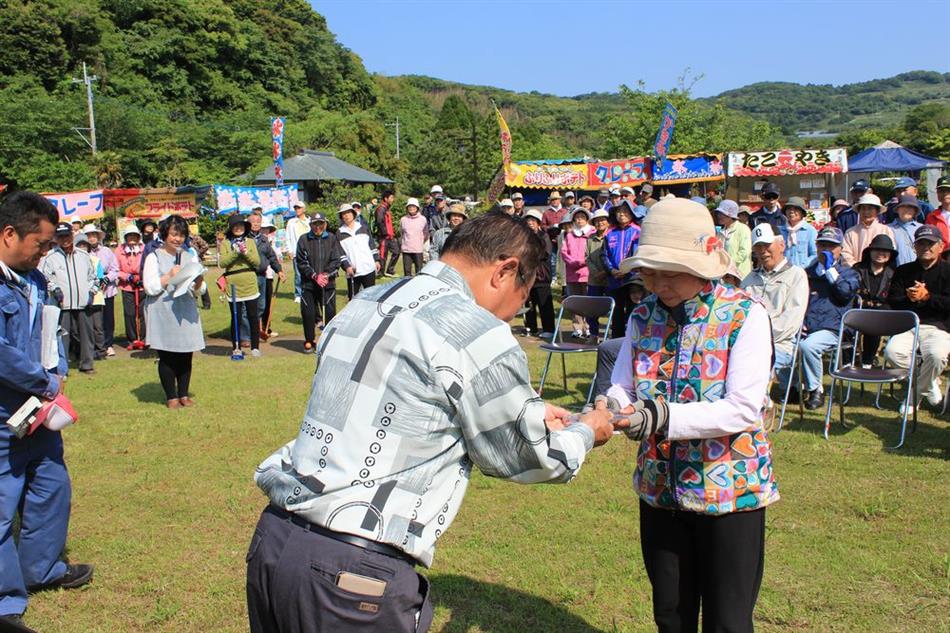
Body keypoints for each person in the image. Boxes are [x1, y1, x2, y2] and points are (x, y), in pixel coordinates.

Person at [247, 211, 615, 633]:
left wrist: (526, 411)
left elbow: (406, 397)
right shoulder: (475, 329)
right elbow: (529, 457)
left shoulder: (367, 301)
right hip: (352, 575)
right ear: (506, 270)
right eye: (524, 295)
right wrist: (588, 430)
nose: (515, 312)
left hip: (276, 542)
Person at [601, 197, 778, 633]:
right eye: (651, 271)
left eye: (670, 271)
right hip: (660, 488)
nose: (659, 283)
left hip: (730, 492)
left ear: (704, 263)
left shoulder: (744, 315)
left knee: (728, 621)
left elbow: (742, 407)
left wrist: (659, 418)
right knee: (671, 615)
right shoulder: (643, 316)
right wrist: (609, 410)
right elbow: (622, 384)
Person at [0, 193, 94, 632]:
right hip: (5, 416)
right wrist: (43, 380)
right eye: (40, 243)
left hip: (40, 413)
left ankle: (41, 570)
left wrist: (57, 370)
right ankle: (5, 602)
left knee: (51, 489)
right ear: (9, 234)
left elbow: (50, 330)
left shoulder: (33, 280)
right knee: (3, 507)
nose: (46, 251)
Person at [883, 226, 950, 411]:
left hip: (939, 327)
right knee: (892, 353)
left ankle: (913, 397)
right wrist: (910, 298)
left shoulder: (948, 271)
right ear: (915, 246)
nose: (926, 247)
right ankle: (928, 383)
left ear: (941, 246)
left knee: (936, 356)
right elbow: (893, 301)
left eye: (930, 243)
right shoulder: (903, 271)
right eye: (921, 243)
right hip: (908, 325)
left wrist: (927, 297)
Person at [142, 215, 205, 409]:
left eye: (181, 235)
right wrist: (168, 276)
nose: (177, 239)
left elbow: (200, 290)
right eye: (174, 235)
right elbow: (149, 287)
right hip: (163, 309)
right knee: (168, 355)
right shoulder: (154, 256)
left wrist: (199, 281)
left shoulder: (190, 255)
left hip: (185, 308)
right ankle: (171, 396)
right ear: (164, 234)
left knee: (186, 353)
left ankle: (184, 394)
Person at [741, 223, 809, 400]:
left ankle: (757, 408)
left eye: (766, 245)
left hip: (780, 344)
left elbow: (790, 322)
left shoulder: (797, 275)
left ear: (782, 245)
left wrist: (758, 339)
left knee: (756, 364)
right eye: (758, 247)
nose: (763, 251)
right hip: (748, 342)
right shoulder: (749, 279)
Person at [799, 227, 860, 410]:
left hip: (834, 327)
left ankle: (815, 390)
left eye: (831, 246)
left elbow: (844, 293)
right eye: (822, 244)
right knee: (782, 345)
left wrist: (829, 270)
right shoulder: (807, 273)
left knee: (808, 346)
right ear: (816, 246)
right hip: (807, 325)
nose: (826, 250)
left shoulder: (849, 273)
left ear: (840, 249)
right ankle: (793, 387)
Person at [41, 223, 98, 374]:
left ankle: (87, 364)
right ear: (56, 238)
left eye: (66, 235)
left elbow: (93, 277)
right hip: (62, 303)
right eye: (60, 237)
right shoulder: (51, 257)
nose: (64, 239)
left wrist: (91, 293)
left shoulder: (84, 255)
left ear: (72, 235)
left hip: (83, 302)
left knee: (86, 335)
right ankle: (62, 367)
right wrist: (55, 290)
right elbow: (46, 278)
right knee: (62, 336)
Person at [296, 213, 348, 352]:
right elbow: (301, 263)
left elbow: (336, 260)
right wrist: (314, 276)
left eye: (321, 223)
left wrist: (325, 275)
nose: (318, 227)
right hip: (309, 284)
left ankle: (330, 341)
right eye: (315, 224)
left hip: (327, 283)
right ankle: (309, 340)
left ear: (325, 224)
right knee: (308, 313)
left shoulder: (331, 238)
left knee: (330, 313)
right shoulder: (303, 239)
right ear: (311, 225)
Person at [220, 214, 262, 356]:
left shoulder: (250, 242)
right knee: (236, 317)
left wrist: (245, 253)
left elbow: (257, 262)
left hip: (249, 282)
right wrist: (235, 253)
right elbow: (222, 263)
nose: (238, 228)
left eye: (241, 226)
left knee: (252, 316)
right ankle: (236, 347)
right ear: (231, 229)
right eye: (235, 226)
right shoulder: (225, 243)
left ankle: (255, 347)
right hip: (233, 284)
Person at [853, 234, 898, 368]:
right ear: (870, 252)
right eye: (877, 250)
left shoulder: (894, 273)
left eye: (885, 251)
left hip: (883, 312)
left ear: (890, 254)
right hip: (859, 310)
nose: (881, 254)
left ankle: (868, 360)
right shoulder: (858, 270)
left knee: (875, 320)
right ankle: (850, 358)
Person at [601, 199, 641, 338]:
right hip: (614, 279)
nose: (621, 214)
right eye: (619, 212)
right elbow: (604, 255)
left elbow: (638, 254)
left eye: (625, 211)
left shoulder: (637, 232)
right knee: (616, 311)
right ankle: (616, 340)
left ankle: (632, 338)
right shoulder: (610, 232)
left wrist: (627, 270)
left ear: (631, 214)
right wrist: (611, 270)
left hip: (632, 279)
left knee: (633, 310)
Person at [247, 210, 285, 343]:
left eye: (259, 222)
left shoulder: (264, 239)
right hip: (249, 276)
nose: (256, 224)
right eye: (253, 222)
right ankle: (249, 333)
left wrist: (279, 270)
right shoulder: (245, 238)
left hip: (262, 276)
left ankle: (257, 329)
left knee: (261, 306)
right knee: (249, 305)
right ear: (248, 223)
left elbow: (272, 256)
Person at [83, 224, 118, 357]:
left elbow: (115, 269)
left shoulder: (107, 251)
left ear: (98, 236)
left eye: (93, 235)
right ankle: (97, 345)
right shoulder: (83, 253)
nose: (91, 238)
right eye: (89, 236)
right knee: (94, 319)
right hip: (92, 290)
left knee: (108, 318)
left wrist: (107, 279)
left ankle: (108, 344)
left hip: (107, 289)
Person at [560, 206, 594, 338]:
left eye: (582, 218)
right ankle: (577, 327)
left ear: (587, 219)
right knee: (575, 302)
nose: (579, 220)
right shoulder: (569, 235)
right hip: (572, 273)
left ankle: (589, 326)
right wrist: (573, 262)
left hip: (587, 273)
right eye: (577, 218)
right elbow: (564, 252)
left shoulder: (592, 233)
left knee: (588, 301)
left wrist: (581, 262)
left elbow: (591, 253)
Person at [523, 209, 555, 338]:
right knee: (529, 303)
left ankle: (548, 329)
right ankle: (531, 327)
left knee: (544, 304)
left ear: (538, 222)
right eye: (528, 220)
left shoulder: (544, 236)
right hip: (527, 276)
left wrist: (529, 254)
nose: (530, 223)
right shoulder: (523, 237)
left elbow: (545, 253)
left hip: (542, 275)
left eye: (533, 220)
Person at [336, 203, 379, 298]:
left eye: (348, 212)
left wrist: (376, 260)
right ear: (341, 216)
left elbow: (371, 244)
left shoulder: (363, 227)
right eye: (343, 213)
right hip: (353, 271)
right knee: (353, 299)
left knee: (371, 297)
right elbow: (340, 253)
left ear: (353, 214)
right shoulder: (339, 233)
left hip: (368, 268)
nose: (346, 215)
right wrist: (347, 267)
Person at [114, 226, 146, 350]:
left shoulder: (144, 249)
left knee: (143, 312)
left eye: (134, 235)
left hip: (142, 285)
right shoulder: (119, 250)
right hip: (127, 286)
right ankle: (132, 339)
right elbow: (116, 268)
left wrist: (141, 277)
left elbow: (148, 264)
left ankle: (143, 338)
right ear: (126, 237)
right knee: (129, 313)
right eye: (129, 235)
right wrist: (127, 277)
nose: (132, 238)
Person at [841, 193, 895, 266]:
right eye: (863, 208)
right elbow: (845, 255)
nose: (866, 212)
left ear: (877, 211)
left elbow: (890, 253)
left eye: (870, 208)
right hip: (855, 273)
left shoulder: (886, 230)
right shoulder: (850, 232)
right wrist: (858, 269)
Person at [585, 208, 611, 338]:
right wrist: (596, 273)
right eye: (597, 220)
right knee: (592, 308)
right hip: (594, 280)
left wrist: (605, 272)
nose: (600, 223)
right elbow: (587, 257)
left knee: (613, 308)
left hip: (611, 278)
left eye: (602, 220)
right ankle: (594, 334)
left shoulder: (612, 236)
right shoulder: (590, 238)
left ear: (607, 222)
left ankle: (613, 335)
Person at [715, 199, 752, 278]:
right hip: (724, 275)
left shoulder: (743, 229)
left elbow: (744, 252)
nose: (719, 216)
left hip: (740, 276)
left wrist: (728, 263)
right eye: (719, 213)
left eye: (722, 213)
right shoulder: (721, 232)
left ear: (730, 215)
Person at [779, 196, 817, 268]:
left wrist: (802, 267)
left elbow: (815, 254)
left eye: (796, 209)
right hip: (782, 273)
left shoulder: (810, 231)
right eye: (789, 208)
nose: (791, 211)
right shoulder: (779, 231)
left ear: (802, 213)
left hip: (803, 272)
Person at [259, 217, 282, 338]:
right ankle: (257, 328)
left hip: (269, 275)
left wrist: (279, 270)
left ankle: (266, 328)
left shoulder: (272, 242)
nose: (265, 232)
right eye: (263, 229)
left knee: (267, 303)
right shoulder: (256, 241)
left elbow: (276, 257)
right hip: (258, 275)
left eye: (267, 229)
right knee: (258, 303)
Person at [286, 202, 312, 303]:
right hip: (296, 250)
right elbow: (287, 236)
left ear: (304, 209)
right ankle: (298, 294)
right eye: (296, 208)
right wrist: (289, 250)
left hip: (309, 250)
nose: (297, 209)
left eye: (299, 208)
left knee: (310, 271)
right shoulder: (291, 222)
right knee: (298, 273)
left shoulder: (309, 221)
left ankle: (309, 291)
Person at [888, 194, 924, 266]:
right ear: (897, 209)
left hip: (918, 271)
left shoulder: (922, 228)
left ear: (915, 211)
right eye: (903, 206)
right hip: (896, 272)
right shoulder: (887, 229)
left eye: (910, 207)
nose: (906, 209)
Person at [400, 198, 428, 277]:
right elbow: (402, 233)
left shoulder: (423, 219)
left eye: (413, 206)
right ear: (407, 208)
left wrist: (420, 241)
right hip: (406, 249)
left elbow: (426, 233)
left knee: (419, 271)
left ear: (417, 208)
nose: (411, 208)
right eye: (410, 206)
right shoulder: (403, 219)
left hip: (418, 249)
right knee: (407, 271)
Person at [923, 175, 950, 255]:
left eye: (948, 190)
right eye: (941, 190)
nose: (945, 193)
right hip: (940, 260)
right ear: (937, 193)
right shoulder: (931, 216)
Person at [374, 191, 399, 277]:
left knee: (396, 251)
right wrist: (384, 233)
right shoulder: (381, 208)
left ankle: (390, 270)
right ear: (386, 199)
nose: (393, 199)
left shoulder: (386, 208)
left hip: (390, 236)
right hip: (384, 236)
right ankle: (380, 273)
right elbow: (379, 221)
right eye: (391, 198)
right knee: (382, 254)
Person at [540, 191, 563, 281]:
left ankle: (564, 277)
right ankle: (554, 277)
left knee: (564, 259)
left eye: (556, 199)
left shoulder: (564, 211)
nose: (554, 201)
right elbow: (542, 225)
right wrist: (550, 228)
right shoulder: (546, 213)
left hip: (563, 238)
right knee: (552, 259)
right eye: (553, 200)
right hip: (551, 239)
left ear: (559, 200)